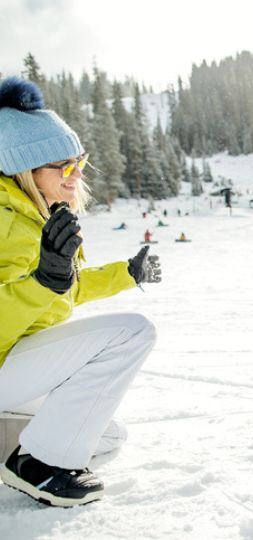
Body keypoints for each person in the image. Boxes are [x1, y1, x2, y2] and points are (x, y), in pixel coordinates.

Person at [0, 77, 162, 506]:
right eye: (63, 166)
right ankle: (39, 466)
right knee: (132, 332)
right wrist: (40, 284)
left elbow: (65, 290)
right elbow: (41, 290)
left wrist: (127, 273)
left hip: (11, 359)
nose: (76, 176)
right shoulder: (3, 219)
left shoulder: (39, 215)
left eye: (80, 163)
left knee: (105, 434)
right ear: (27, 169)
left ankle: (28, 447)